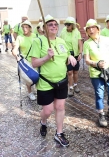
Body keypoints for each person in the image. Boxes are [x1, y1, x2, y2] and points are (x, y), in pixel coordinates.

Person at [30, 15, 77, 146]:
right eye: (50, 24)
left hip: (62, 80)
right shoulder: (38, 41)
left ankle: (59, 133)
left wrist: (70, 57)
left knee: (60, 107)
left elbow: (65, 54)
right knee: (48, 110)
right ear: (44, 28)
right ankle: (43, 122)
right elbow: (34, 63)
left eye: (55, 24)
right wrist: (46, 57)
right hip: (45, 82)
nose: (54, 26)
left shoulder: (61, 41)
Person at [83, 19, 109, 127]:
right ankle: (101, 114)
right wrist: (96, 64)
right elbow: (87, 60)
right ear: (87, 31)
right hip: (96, 72)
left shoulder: (107, 39)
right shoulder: (87, 43)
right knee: (99, 94)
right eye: (88, 28)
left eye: (93, 27)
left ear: (98, 29)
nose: (91, 30)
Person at [12, 20, 37, 101]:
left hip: (36, 59)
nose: (24, 29)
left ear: (30, 28)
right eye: (23, 27)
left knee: (37, 76)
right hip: (26, 61)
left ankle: (38, 90)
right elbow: (15, 49)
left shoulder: (35, 36)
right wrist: (16, 55)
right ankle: (30, 92)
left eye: (26, 27)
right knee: (28, 78)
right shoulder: (20, 37)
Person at [60, 17, 83, 96]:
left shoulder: (77, 32)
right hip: (67, 55)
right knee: (69, 72)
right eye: (66, 24)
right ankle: (70, 87)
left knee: (75, 71)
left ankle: (75, 85)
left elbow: (80, 43)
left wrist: (80, 53)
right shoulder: (63, 32)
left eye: (69, 24)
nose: (67, 26)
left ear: (73, 25)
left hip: (75, 54)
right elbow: (60, 43)